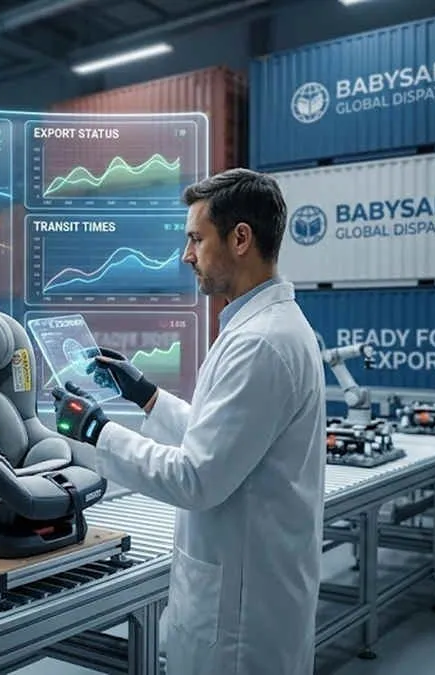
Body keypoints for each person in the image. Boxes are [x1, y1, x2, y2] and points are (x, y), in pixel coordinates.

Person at [51, 168, 326, 675]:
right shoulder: (264, 326)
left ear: (240, 238)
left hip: (241, 617)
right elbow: (223, 438)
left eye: (196, 239)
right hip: (250, 583)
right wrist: (148, 397)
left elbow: (197, 478)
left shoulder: (261, 342)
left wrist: (94, 431)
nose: (185, 255)